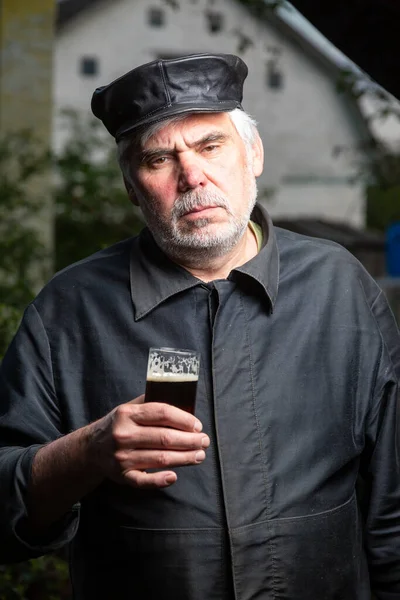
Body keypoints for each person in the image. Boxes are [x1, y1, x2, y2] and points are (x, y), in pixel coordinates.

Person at [0, 53, 399, 600]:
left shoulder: (341, 288)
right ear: (131, 186)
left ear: (252, 154)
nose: (193, 176)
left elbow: (391, 509)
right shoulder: (68, 311)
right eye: (159, 158)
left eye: (211, 145)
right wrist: (87, 452)